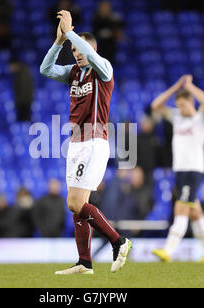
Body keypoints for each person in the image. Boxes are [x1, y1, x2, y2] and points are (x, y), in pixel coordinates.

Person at [40, 10, 132, 275]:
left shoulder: (103, 70)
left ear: (92, 49)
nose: (76, 53)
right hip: (75, 144)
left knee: (76, 203)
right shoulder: (73, 73)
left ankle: (119, 241)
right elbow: (45, 69)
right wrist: (59, 41)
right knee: (75, 205)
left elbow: (92, 57)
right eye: (73, 50)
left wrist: (69, 32)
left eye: (80, 49)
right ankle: (85, 262)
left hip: (94, 141)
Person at [150, 75, 204, 263]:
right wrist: (175, 87)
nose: (181, 109)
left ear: (192, 103)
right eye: (178, 105)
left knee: (181, 207)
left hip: (193, 170)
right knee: (194, 211)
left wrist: (190, 86)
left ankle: (168, 251)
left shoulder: (201, 119)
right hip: (180, 171)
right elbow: (155, 106)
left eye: (184, 105)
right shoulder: (176, 117)